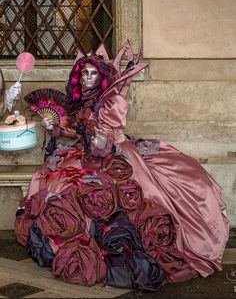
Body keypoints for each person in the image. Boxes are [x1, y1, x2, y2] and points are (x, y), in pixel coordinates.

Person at [14, 41, 229, 289]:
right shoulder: (83, 101)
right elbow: (79, 132)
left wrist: (100, 142)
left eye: (93, 73)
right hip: (88, 151)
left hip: (115, 152)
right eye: (84, 73)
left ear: (102, 77)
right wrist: (57, 129)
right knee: (54, 176)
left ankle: (116, 245)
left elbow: (108, 136)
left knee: (124, 187)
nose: (87, 77)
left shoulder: (111, 102)